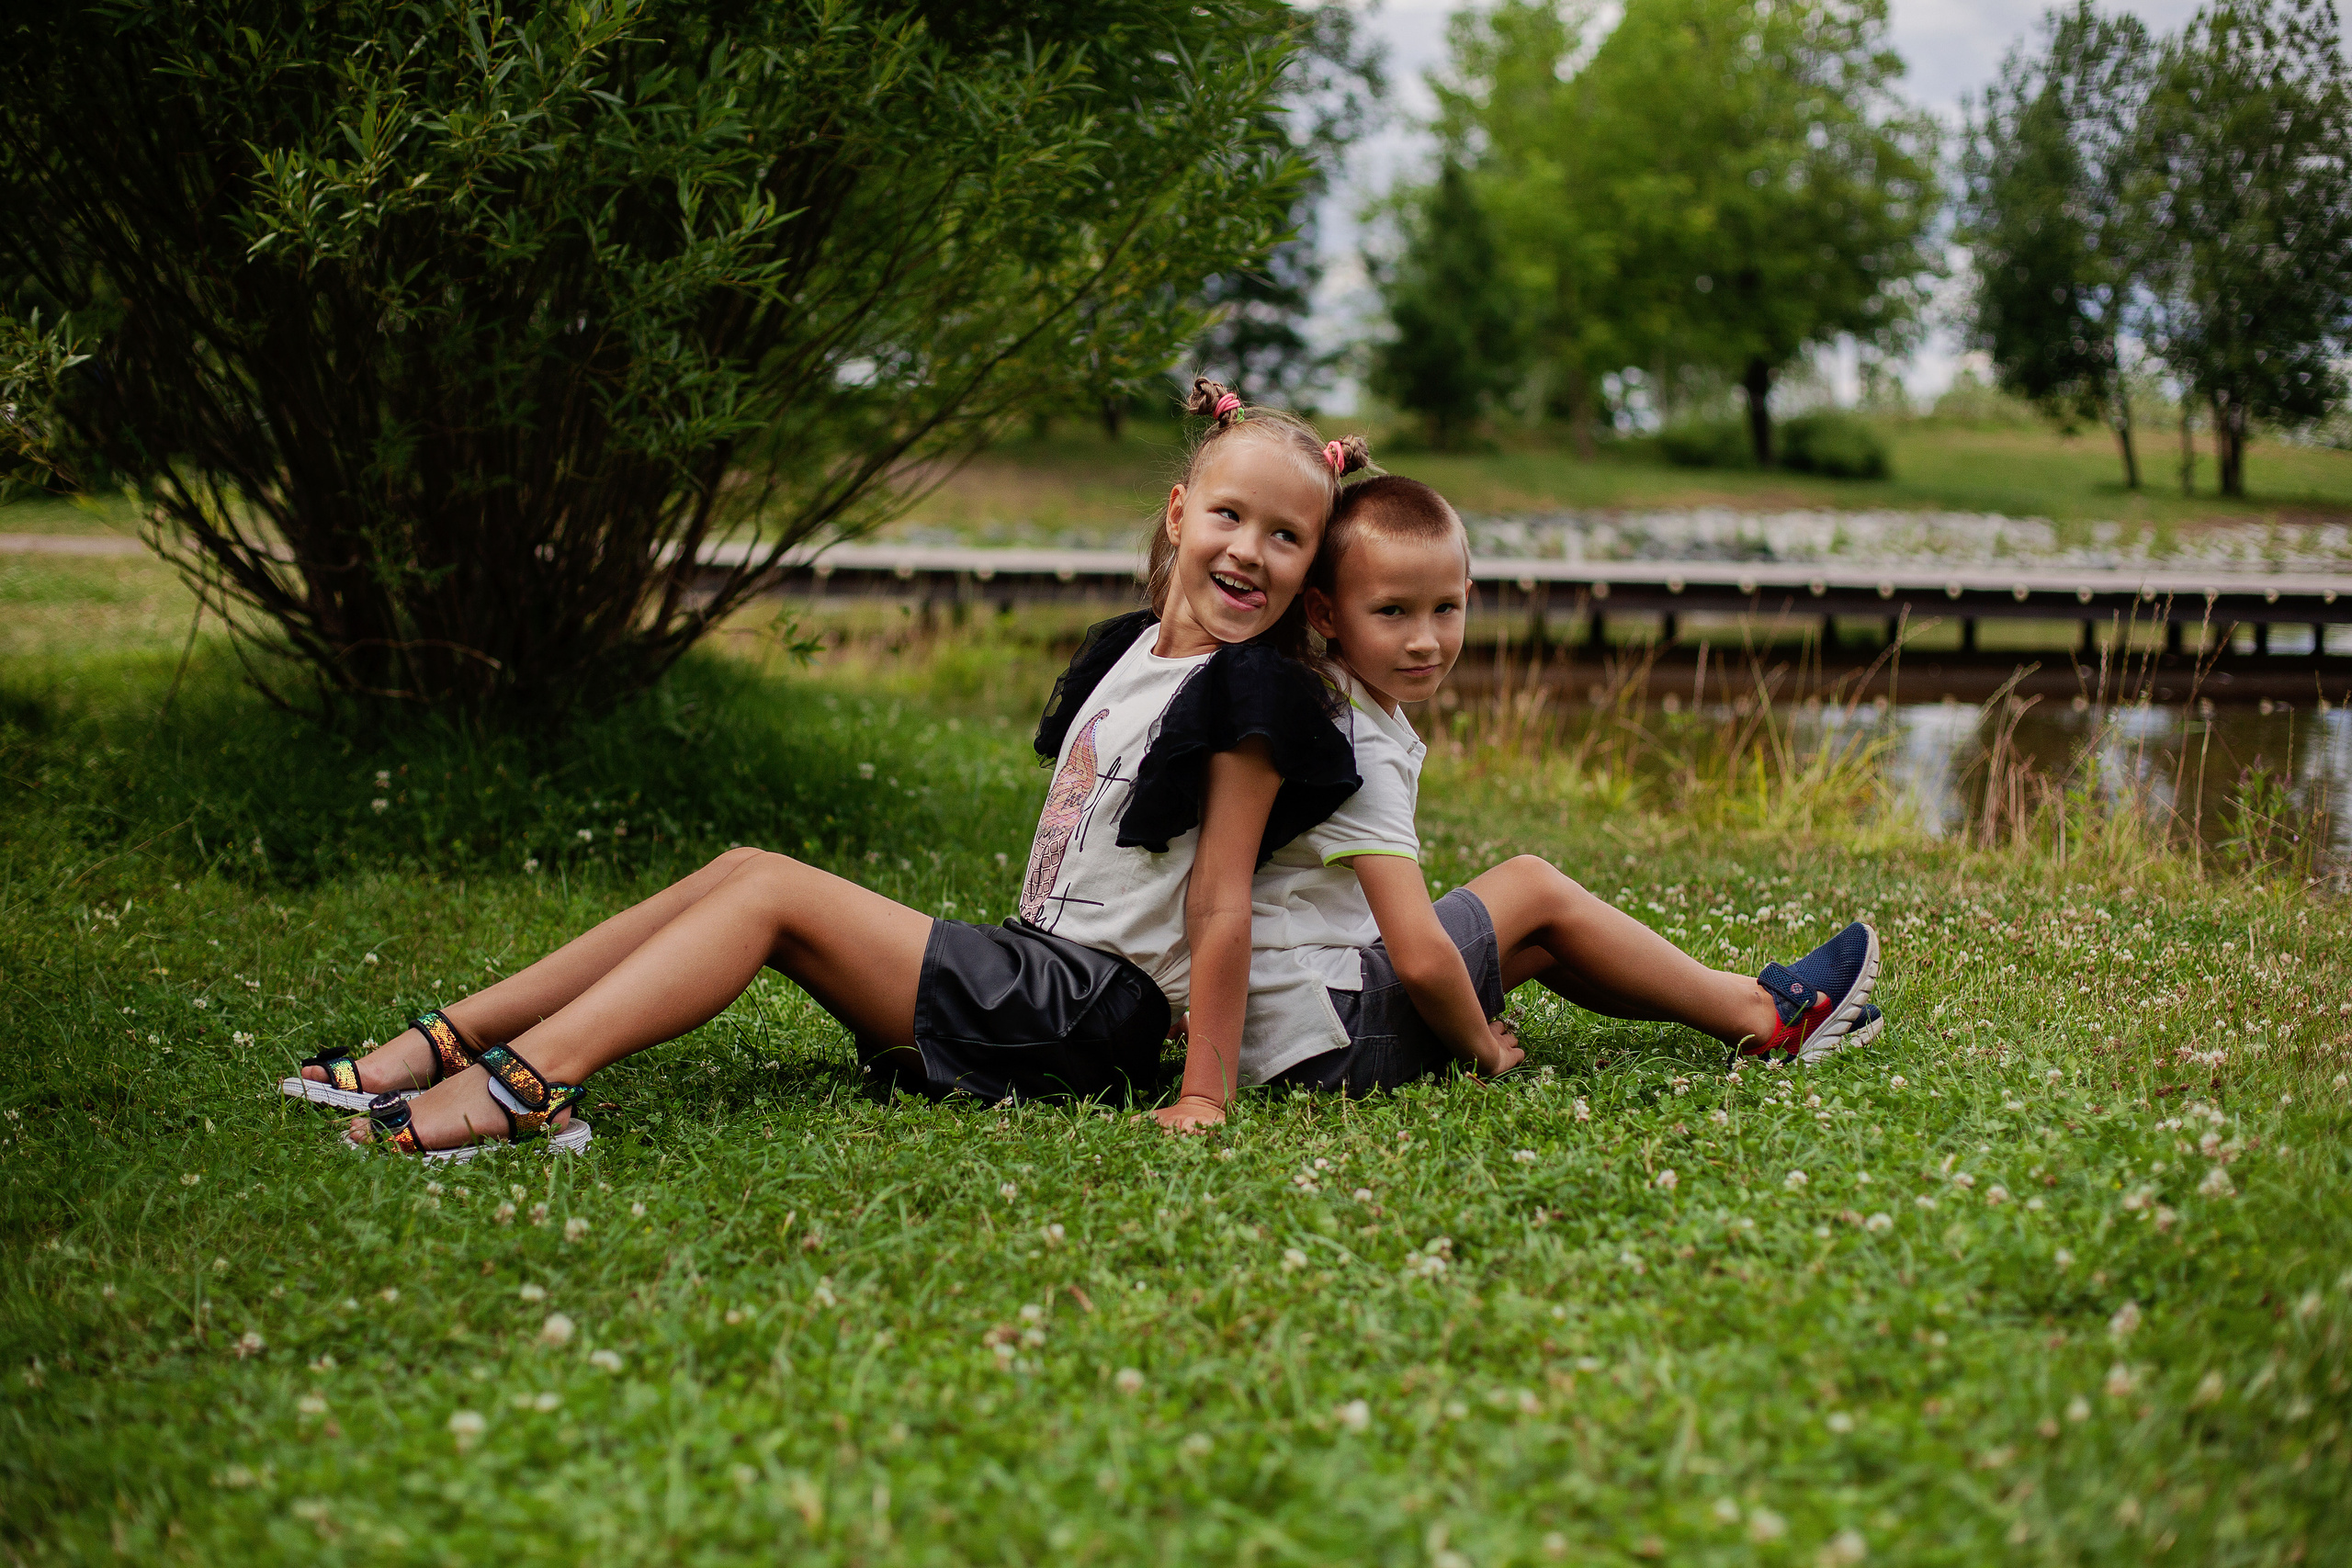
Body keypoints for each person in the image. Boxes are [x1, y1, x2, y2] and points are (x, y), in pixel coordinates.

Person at [278, 379, 1372, 1155]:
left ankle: (522, 1087)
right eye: (1230, 515)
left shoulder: (1254, 692)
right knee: (743, 866)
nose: (1249, 551)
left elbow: (1221, 902)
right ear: (1180, 515)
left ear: (1308, 567)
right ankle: (437, 1046)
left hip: (1091, 1015)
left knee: (769, 890)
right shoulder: (1131, 648)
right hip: (1034, 982)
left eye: (1288, 539)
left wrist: (1206, 1095)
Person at [1235, 476, 1882, 1100]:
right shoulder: (1356, 745)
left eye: (1444, 609)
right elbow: (1423, 958)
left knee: (1539, 937)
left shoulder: (1330, 699)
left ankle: (1739, 1015)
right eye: (1392, 612)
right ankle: (1770, 1017)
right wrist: (1480, 1049)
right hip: (1331, 1038)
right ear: (1325, 610)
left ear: (1468, 593)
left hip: (1290, 1032)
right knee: (1531, 885)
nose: (1424, 639)